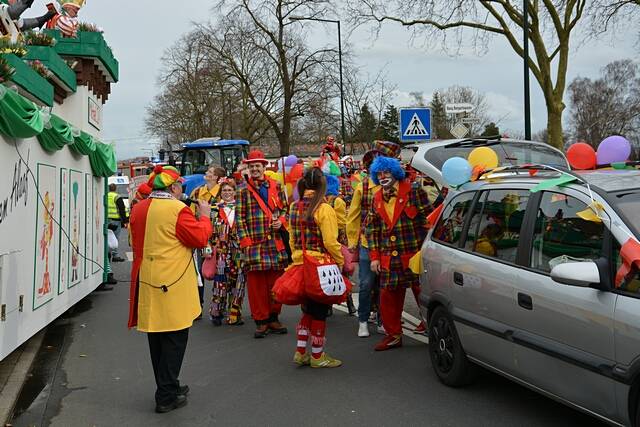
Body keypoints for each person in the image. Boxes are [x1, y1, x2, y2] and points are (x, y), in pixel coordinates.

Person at [127, 165, 212, 413]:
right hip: (172, 282)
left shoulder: (139, 208)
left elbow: (134, 241)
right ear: (173, 188)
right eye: (180, 188)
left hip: (148, 278)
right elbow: (199, 239)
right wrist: (205, 215)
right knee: (175, 337)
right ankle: (165, 395)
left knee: (157, 337)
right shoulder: (177, 209)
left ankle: (169, 385)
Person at [366, 156, 432, 351]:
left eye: (386, 172)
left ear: (394, 172)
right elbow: (372, 229)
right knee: (388, 298)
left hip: (414, 254)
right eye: (379, 174)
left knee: (424, 295)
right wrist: (375, 257)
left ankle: (432, 327)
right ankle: (393, 335)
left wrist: (429, 250)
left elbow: (428, 219)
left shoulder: (413, 190)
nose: (383, 176)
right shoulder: (377, 197)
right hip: (389, 257)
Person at [289, 167, 344, 368]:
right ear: (323, 184)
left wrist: (296, 257)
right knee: (320, 311)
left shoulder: (294, 206)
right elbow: (330, 241)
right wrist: (340, 261)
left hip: (299, 264)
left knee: (307, 310)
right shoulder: (324, 208)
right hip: (319, 266)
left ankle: (300, 351)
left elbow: (292, 238)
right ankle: (318, 356)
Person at [346, 140, 401, 338]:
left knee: (385, 285)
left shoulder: (396, 186)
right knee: (366, 284)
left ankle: (382, 320)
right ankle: (362, 320)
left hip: (388, 244)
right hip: (367, 244)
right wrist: (352, 241)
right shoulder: (363, 187)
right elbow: (352, 216)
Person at [236, 150, 290, 338]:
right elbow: (240, 219)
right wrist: (246, 242)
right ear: (248, 169)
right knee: (256, 286)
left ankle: (274, 317)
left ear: (264, 166)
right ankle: (261, 321)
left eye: (257, 166)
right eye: (251, 166)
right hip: (254, 245)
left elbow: (285, 210)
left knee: (276, 283)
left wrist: (281, 221)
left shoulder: (276, 185)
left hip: (274, 243)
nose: (255, 169)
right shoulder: (242, 191)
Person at [208, 179, 246, 326]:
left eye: (230, 190)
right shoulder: (214, 209)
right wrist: (207, 247)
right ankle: (216, 312)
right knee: (220, 282)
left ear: (235, 192)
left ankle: (234, 313)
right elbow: (208, 230)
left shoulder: (241, 208)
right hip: (221, 252)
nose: (227, 193)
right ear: (220, 193)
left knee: (238, 282)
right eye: (224, 190)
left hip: (238, 250)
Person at [190, 165, 226, 311]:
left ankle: (219, 305)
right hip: (202, 236)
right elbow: (191, 213)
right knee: (198, 272)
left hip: (219, 238)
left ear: (216, 177)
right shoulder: (198, 191)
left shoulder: (223, 192)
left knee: (221, 271)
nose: (206, 173)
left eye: (210, 172)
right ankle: (197, 305)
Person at [325, 174, 356, 315]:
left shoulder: (323, 201)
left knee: (330, 274)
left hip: (329, 241)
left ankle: (330, 306)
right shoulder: (338, 201)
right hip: (337, 240)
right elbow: (343, 222)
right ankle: (350, 305)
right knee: (343, 274)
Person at [107, 183, 128, 262]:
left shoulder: (106, 196)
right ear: (115, 189)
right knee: (115, 238)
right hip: (115, 220)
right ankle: (115, 255)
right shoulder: (117, 197)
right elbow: (121, 209)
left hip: (106, 220)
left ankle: (107, 252)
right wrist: (125, 221)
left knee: (108, 237)